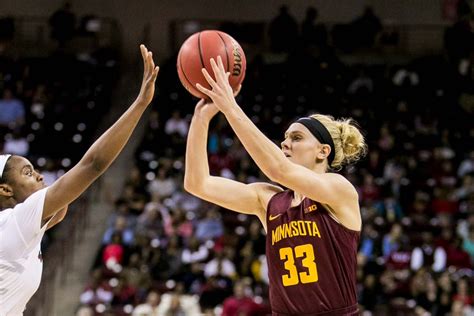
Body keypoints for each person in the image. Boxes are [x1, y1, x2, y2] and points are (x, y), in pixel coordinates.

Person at [184, 56, 367, 315]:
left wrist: (230, 107)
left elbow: (277, 169)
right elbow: (197, 183)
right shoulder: (269, 200)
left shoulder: (339, 189)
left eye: (297, 137)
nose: (285, 144)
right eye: (284, 138)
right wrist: (200, 119)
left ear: (323, 151)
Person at [0, 44, 159, 315]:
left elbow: (61, 209)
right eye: (27, 172)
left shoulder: (20, 228)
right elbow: (93, 165)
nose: (39, 175)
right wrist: (140, 104)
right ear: (4, 189)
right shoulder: (14, 222)